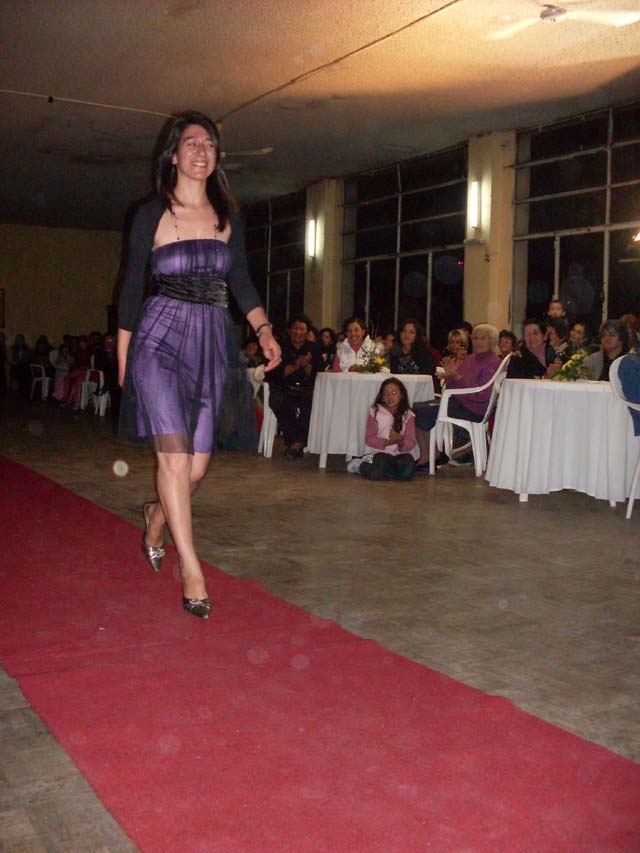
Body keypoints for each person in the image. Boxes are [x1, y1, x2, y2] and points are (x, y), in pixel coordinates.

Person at [117, 111, 280, 620]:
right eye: (191, 143)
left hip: (211, 343)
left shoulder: (227, 215)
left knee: (197, 467)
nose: (201, 151)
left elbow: (242, 281)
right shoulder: (151, 213)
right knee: (173, 459)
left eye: (209, 143)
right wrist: (123, 360)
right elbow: (130, 288)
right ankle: (192, 569)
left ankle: (156, 517)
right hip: (158, 341)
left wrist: (263, 328)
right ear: (173, 154)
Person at [413, 324, 501, 468]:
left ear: (492, 342)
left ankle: (430, 456)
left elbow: (481, 395)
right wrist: (450, 376)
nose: (477, 342)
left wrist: (456, 377)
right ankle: (431, 454)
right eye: (475, 338)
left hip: (473, 408)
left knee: (421, 410)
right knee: (415, 409)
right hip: (457, 402)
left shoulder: (493, 363)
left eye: (482, 338)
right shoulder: (470, 359)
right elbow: (452, 386)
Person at [266, 313, 323, 460]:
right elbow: (274, 374)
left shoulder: (314, 348)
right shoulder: (280, 347)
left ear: (307, 331)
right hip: (283, 388)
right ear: (290, 330)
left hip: (306, 389)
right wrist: (296, 364)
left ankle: (295, 444)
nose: (298, 332)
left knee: (312, 404)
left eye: (302, 329)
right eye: (295, 328)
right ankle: (298, 443)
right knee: (282, 403)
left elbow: (318, 374)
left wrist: (306, 366)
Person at [359, 378, 416, 481]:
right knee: (380, 467)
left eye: (394, 393)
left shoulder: (408, 415)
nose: (390, 397)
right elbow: (369, 439)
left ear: (401, 395)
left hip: (400, 454)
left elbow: (411, 442)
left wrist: (400, 440)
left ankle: (388, 471)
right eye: (386, 394)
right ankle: (362, 465)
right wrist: (387, 442)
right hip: (381, 453)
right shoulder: (374, 413)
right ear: (382, 397)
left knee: (408, 469)